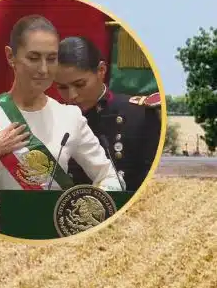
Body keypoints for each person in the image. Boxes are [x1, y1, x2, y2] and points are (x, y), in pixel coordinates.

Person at [0, 15, 123, 233]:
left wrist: (86, 214)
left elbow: (109, 177)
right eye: (33, 58)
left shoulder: (70, 117)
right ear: (11, 56)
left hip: (54, 238)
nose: (43, 69)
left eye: (51, 59)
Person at [55, 36, 162, 192]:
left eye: (80, 84)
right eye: (62, 87)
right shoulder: (54, 118)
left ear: (101, 70)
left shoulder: (139, 114)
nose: (72, 95)